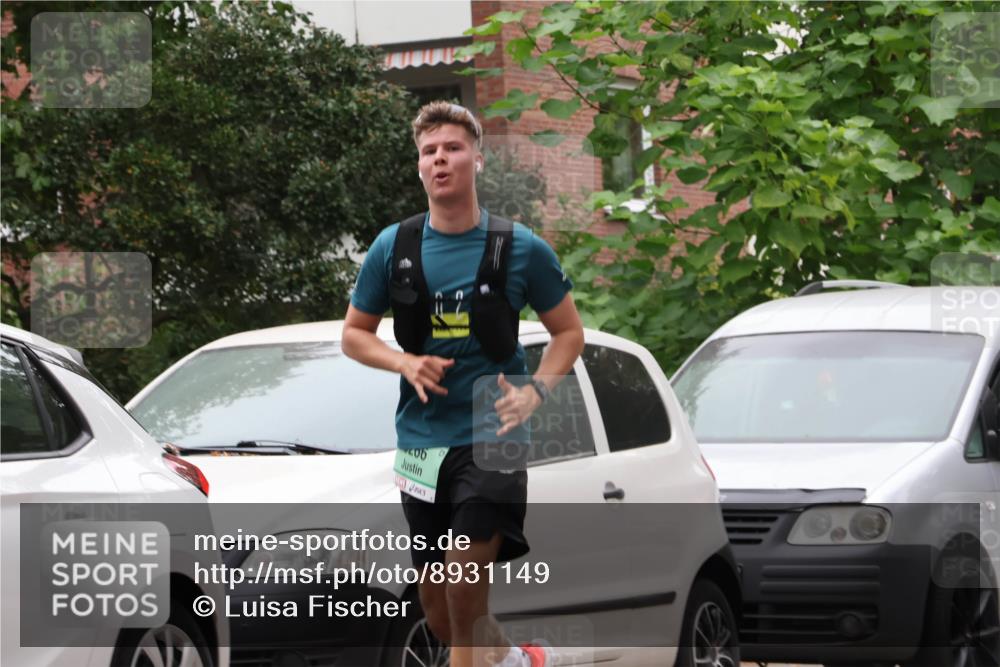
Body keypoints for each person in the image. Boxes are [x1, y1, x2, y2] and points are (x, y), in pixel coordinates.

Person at [342, 101, 584, 667]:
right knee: (439, 612)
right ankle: (516, 660)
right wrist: (402, 363)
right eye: (429, 152)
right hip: (422, 441)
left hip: (492, 432)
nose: (440, 159)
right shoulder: (393, 248)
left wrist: (536, 391)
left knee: (462, 578)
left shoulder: (520, 247)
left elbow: (568, 333)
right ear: (419, 166)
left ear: (478, 157)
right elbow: (355, 335)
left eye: (452, 148)